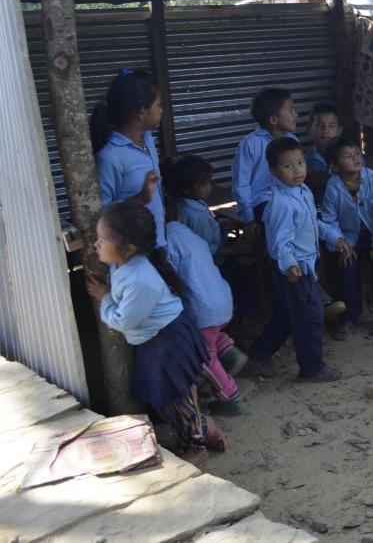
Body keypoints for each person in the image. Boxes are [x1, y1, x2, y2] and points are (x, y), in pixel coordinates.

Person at [86, 201, 225, 466]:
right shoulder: (123, 265)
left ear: (128, 249)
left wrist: (105, 298)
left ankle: (196, 446)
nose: (96, 245)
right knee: (167, 398)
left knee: (177, 399)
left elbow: (124, 321)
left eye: (102, 241)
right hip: (157, 341)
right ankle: (204, 426)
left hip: (168, 341)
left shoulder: (140, 279)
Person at [243, 138, 349, 382]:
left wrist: (334, 237)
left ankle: (258, 355)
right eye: (288, 166)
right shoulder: (280, 204)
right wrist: (289, 265)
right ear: (273, 171)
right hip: (295, 269)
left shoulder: (303, 191)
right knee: (310, 317)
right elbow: (280, 243)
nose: (298, 170)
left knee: (289, 314)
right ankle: (312, 368)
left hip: (305, 265)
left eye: (300, 163)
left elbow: (314, 222)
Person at [163, 200, 249, 416]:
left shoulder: (167, 242)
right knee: (212, 334)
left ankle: (230, 398)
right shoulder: (191, 236)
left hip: (203, 310)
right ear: (179, 217)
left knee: (204, 354)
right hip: (222, 299)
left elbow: (169, 275)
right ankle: (228, 351)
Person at [162, 154, 256, 329]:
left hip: (214, 260)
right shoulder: (194, 214)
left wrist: (222, 229)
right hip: (214, 265)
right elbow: (206, 249)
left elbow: (208, 237)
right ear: (186, 188)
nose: (209, 188)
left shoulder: (195, 205)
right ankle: (244, 320)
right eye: (204, 185)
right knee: (246, 277)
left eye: (209, 182)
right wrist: (236, 250)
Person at [320, 136, 373, 338]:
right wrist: (341, 244)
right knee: (347, 266)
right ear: (335, 166)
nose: (355, 158)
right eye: (347, 156)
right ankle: (349, 317)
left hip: (371, 234)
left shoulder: (372, 178)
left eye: (356, 153)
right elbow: (328, 220)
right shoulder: (333, 187)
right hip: (348, 238)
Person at [90, 69, 167, 247]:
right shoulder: (110, 157)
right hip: (134, 252)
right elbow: (102, 214)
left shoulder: (147, 139)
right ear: (141, 112)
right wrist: (139, 199)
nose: (162, 110)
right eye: (158, 105)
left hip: (158, 242)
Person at [232, 87, 300, 223]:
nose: (296, 114)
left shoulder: (292, 140)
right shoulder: (250, 144)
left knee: (314, 212)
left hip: (291, 196)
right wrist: (249, 217)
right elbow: (241, 184)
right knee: (282, 216)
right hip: (262, 202)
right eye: (291, 110)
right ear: (274, 119)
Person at [304, 101, 342, 203]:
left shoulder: (352, 154)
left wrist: (329, 180)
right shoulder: (306, 160)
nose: (325, 130)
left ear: (339, 131)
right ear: (309, 129)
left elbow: (360, 185)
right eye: (320, 125)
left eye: (331, 126)